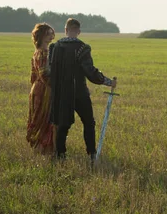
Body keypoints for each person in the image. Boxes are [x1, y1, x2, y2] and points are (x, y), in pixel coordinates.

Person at [49, 18, 116, 161]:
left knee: (62, 124)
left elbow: (50, 72)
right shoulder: (82, 48)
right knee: (88, 123)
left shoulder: (54, 48)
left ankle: (60, 155)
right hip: (79, 92)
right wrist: (107, 81)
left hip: (61, 93)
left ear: (65, 30)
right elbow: (90, 72)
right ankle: (91, 154)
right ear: (78, 32)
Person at [27, 23, 56, 154]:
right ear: (42, 35)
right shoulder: (44, 53)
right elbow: (44, 74)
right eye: (48, 34)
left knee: (38, 117)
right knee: (43, 118)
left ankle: (41, 147)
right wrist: (56, 85)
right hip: (44, 90)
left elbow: (33, 76)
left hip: (36, 88)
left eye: (51, 33)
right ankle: (42, 147)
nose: (51, 36)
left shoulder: (37, 52)